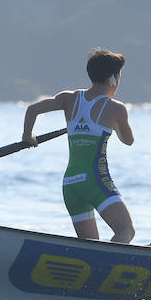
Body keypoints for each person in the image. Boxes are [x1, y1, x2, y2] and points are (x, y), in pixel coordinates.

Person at [20, 48, 135, 242]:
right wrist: (117, 124)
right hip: (94, 181)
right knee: (126, 231)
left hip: (71, 184)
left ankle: (95, 270)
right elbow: (129, 141)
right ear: (113, 79)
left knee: (90, 245)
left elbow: (32, 110)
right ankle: (106, 271)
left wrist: (27, 135)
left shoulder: (68, 98)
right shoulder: (116, 108)